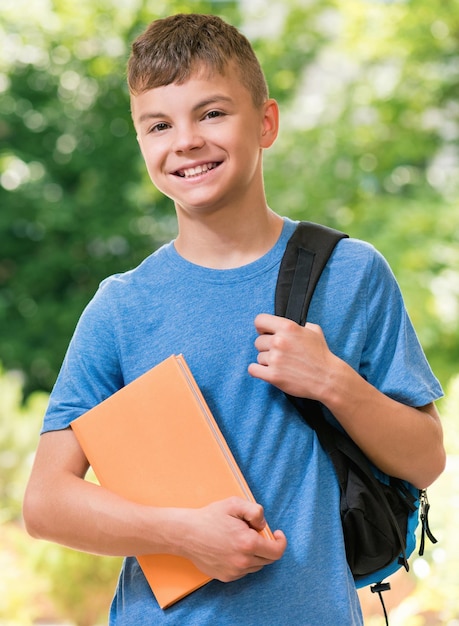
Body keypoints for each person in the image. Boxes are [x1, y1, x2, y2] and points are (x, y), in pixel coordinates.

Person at [23, 13, 446, 625]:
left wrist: (332, 381)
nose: (187, 141)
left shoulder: (351, 273)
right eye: (159, 125)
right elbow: (46, 503)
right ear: (142, 142)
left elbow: (427, 459)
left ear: (266, 122)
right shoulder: (121, 308)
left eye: (212, 113)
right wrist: (182, 533)